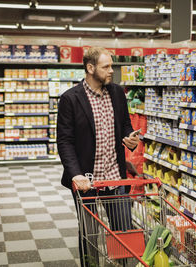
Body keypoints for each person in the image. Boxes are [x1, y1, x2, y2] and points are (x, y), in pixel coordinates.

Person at [57, 47, 140, 266]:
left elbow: (124, 125)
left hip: (115, 178)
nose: (112, 70)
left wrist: (129, 138)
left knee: (123, 233)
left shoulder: (117, 93)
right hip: (87, 182)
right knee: (90, 238)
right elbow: (65, 141)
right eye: (106, 67)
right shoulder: (70, 99)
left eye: (112, 65)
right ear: (90, 68)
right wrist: (75, 175)